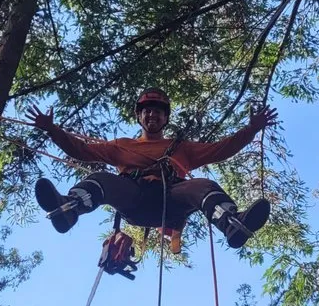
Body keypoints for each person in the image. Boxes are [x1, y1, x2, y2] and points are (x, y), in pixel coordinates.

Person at [29, 88, 277, 249]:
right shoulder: (121, 146)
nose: (152, 116)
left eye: (158, 112)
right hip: (133, 198)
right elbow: (81, 150)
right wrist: (53, 131)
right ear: (139, 117)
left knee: (204, 186)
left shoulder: (181, 147)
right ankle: (68, 208)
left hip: (170, 201)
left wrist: (251, 130)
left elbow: (221, 149)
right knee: (102, 179)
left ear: (166, 118)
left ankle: (232, 223)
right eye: (147, 111)